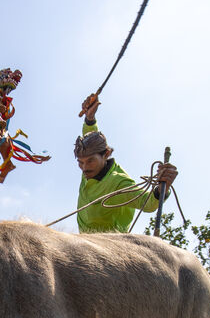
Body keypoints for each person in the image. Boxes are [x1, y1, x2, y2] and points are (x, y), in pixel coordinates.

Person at [75, 93, 178, 233]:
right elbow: (91, 135)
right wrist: (90, 118)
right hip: (80, 242)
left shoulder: (119, 183)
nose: (85, 168)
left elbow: (147, 203)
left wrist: (162, 189)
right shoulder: (89, 165)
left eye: (90, 161)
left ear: (106, 154)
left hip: (107, 248)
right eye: (80, 162)